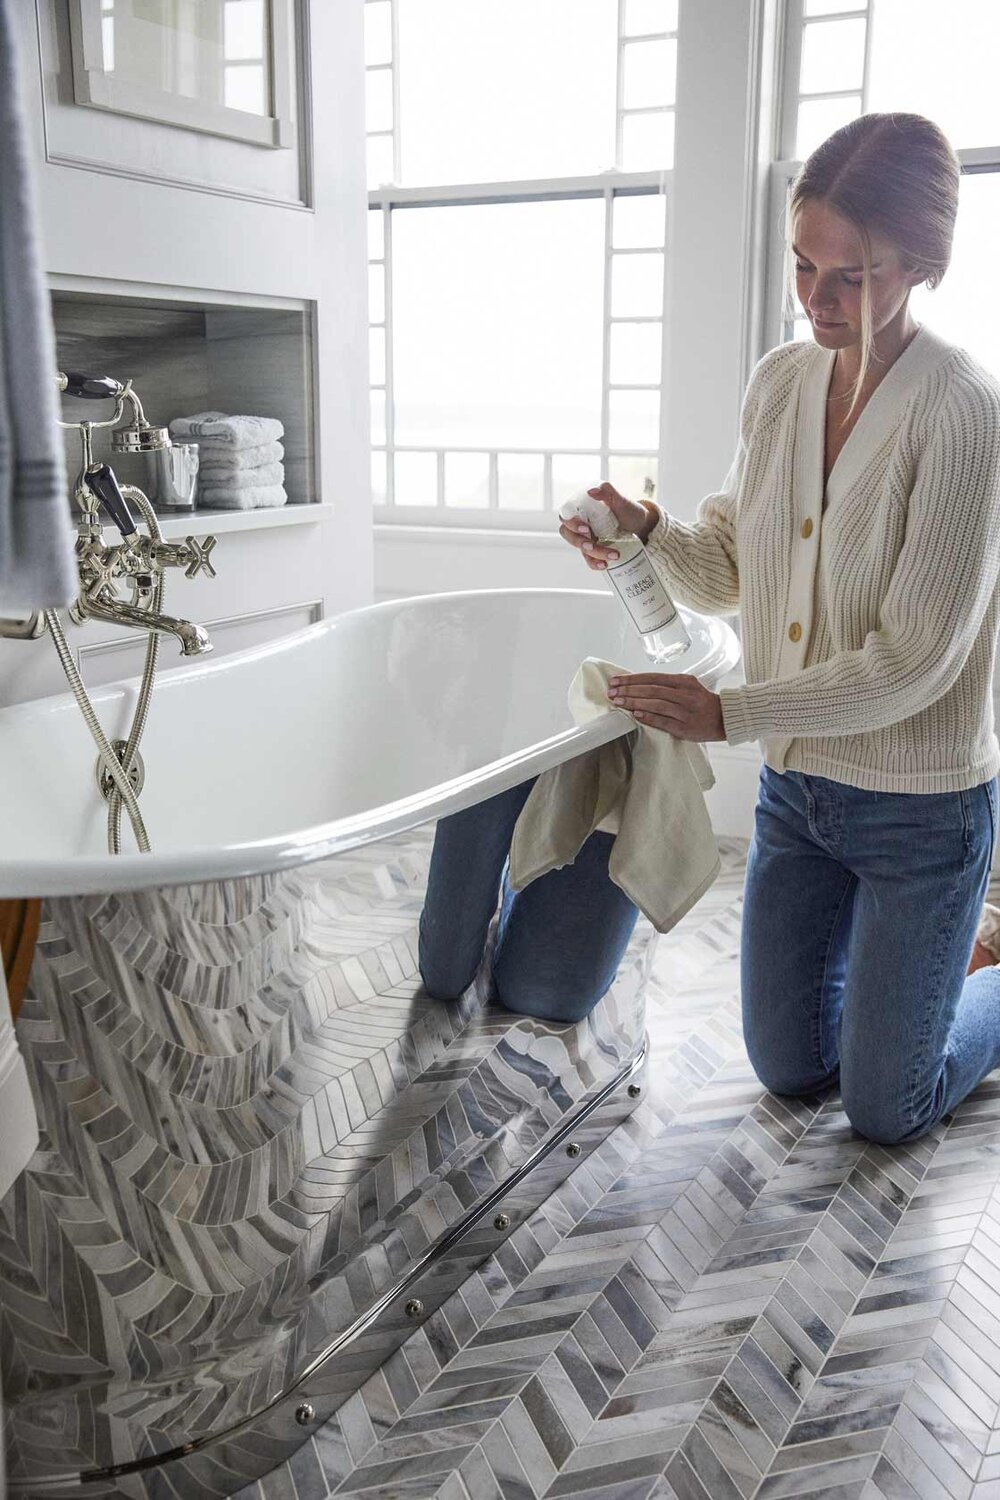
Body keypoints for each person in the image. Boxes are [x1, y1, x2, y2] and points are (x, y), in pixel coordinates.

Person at [560, 113, 1000, 1146]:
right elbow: (729, 572)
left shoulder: (963, 412)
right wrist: (644, 535)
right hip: (801, 797)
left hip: (918, 814)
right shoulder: (781, 381)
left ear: (920, 262)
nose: (815, 299)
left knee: (886, 1107)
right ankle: (916, 977)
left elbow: (914, 662)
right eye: (803, 266)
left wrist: (733, 710)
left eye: (848, 275)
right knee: (793, 1066)